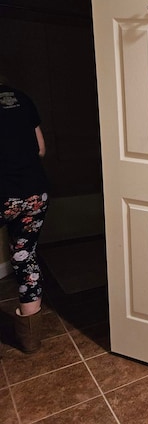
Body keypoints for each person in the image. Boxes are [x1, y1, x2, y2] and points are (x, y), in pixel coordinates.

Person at [0, 78, 49, 353]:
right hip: (33, 194)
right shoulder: (20, 97)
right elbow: (40, 148)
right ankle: (30, 339)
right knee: (24, 255)